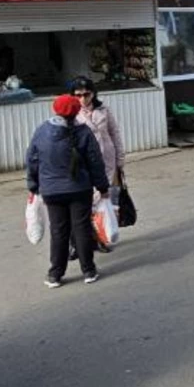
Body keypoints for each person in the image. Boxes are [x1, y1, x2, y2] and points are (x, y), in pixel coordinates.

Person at [27, 94, 111, 287]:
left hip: (51, 191)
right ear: (76, 112)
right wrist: (102, 187)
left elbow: (32, 160)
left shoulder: (42, 131)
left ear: (54, 109)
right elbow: (95, 161)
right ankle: (88, 271)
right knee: (81, 228)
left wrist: (33, 186)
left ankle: (55, 274)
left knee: (58, 231)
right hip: (80, 189)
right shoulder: (84, 132)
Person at [69, 76, 125, 244]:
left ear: (93, 93)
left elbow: (115, 133)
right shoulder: (72, 114)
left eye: (87, 94)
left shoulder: (104, 110)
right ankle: (89, 239)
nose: (83, 99)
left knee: (110, 200)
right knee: (90, 202)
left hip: (108, 160)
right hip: (86, 164)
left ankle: (106, 234)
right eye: (78, 95)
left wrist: (120, 159)